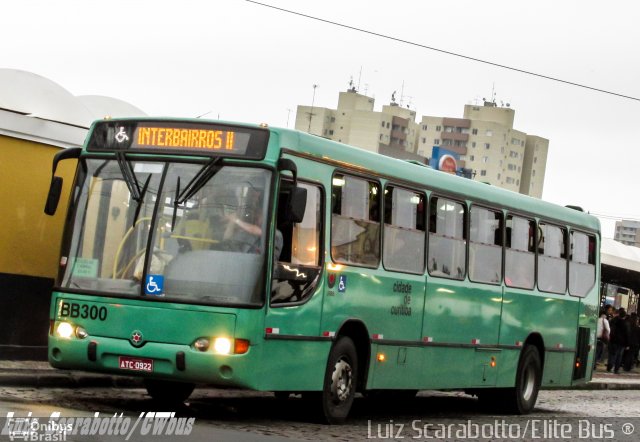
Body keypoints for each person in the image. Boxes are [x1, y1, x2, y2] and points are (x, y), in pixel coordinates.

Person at [607, 308, 631, 374]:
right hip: (621, 343)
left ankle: (609, 367)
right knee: (619, 356)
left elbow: (611, 331)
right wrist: (628, 344)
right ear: (625, 316)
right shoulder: (626, 323)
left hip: (613, 340)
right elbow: (627, 334)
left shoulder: (614, 321)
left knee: (612, 354)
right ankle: (616, 369)